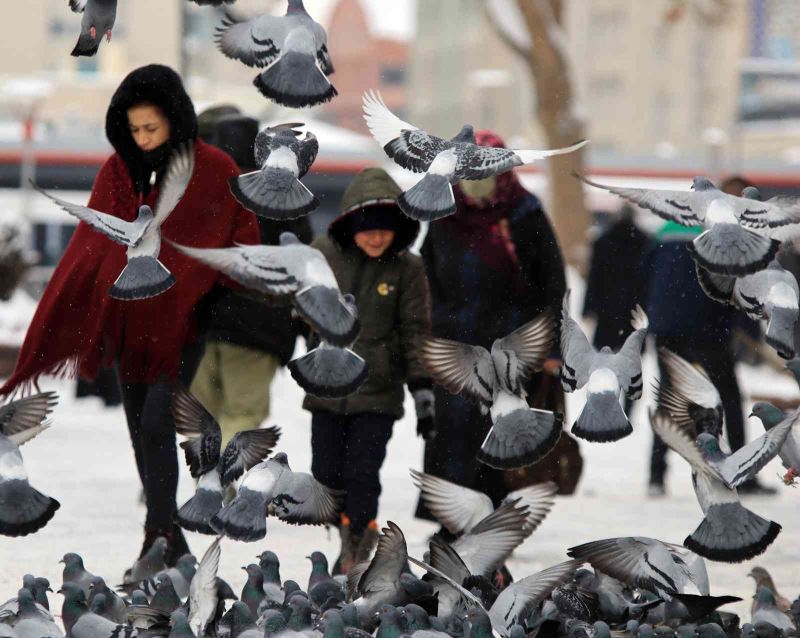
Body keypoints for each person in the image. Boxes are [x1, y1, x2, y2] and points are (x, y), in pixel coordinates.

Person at [0, 65, 260, 565]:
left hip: (185, 324)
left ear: (175, 120)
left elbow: (239, 241)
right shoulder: (116, 172)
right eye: (134, 129)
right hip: (128, 325)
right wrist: (87, 310)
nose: (142, 140)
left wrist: (214, 300)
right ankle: (164, 535)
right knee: (142, 427)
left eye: (152, 129)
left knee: (161, 419)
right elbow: (90, 251)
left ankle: (158, 533)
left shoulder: (214, 169)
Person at [416, 129, 575, 519]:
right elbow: (428, 275)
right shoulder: (443, 212)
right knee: (451, 433)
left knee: (499, 431)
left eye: (483, 175)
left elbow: (552, 284)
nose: (475, 186)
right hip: (456, 342)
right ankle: (452, 519)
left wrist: (553, 347)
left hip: (514, 345)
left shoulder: (525, 213)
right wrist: (430, 329)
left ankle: (496, 518)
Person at [302, 167, 433, 575]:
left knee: (363, 470)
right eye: (367, 229)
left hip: (378, 386)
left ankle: (359, 541)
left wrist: (423, 391)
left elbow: (415, 330)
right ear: (349, 226)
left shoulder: (408, 269)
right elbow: (301, 303)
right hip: (326, 383)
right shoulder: (323, 254)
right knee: (326, 473)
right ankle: (346, 529)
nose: (377, 237)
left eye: (385, 229)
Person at [645, 175, 775, 497]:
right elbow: (740, 288)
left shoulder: (669, 227)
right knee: (729, 398)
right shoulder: (731, 236)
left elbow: (646, 273)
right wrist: (751, 333)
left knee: (671, 399)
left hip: (665, 325)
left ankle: (656, 475)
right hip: (706, 324)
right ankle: (742, 474)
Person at [190, 112, 312, 445]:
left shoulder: (200, 193)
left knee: (203, 418)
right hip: (258, 324)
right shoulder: (282, 194)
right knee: (242, 415)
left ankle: (207, 487)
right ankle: (226, 487)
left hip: (199, 323)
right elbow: (303, 263)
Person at [582, 204, 650, 415]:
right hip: (634, 314)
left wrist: (588, 308)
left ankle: (606, 404)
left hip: (607, 312)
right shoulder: (646, 243)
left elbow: (594, 278)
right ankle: (628, 408)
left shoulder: (603, 242)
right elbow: (649, 283)